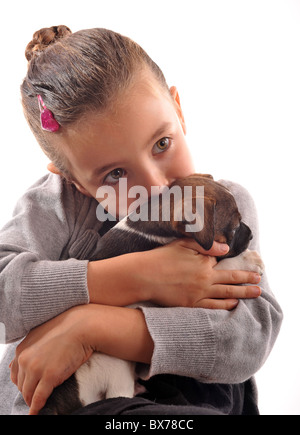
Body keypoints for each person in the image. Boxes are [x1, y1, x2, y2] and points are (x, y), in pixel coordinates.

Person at [0, 25, 282, 415]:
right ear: (72, 180)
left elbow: (248, 339)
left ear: (178, 109)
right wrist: (138, 275)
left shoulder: (221, 206)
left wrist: (89, 327)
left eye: (162, 144)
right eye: (115, 174)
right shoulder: (59, 206)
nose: (155, 186)